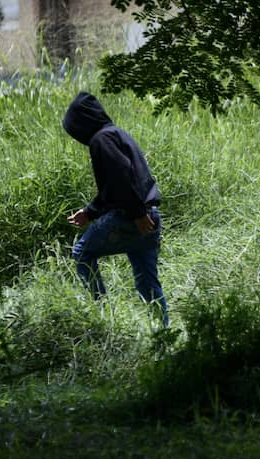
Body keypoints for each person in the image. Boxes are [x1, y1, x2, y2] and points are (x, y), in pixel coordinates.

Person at [62, 91, 169, 327]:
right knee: (148, 284)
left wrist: (137, 214)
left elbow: (122, 179)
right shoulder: (117, 134)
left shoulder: (101, 139)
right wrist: (90, 212)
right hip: (151, 216)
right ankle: (163, 333)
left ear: (82, 124)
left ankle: (102, 318)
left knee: (82, 252)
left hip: (132, 218)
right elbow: (115, 187)